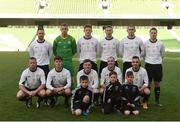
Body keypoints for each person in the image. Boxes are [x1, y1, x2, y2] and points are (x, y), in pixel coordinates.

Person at [144, 27, 165, 106]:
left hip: (157, 65)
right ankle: (146, 101)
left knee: (157, 83)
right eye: (152, 33)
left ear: (156, 34)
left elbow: (162, 54)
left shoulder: (160, 43)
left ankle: (157, 101)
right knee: (148, 83)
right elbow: (143, 54)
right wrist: (149, 60)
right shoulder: (145, 43)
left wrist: (157, 60)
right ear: (149, 34)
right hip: (148, 65)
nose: (153, 34)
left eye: (154, 33)